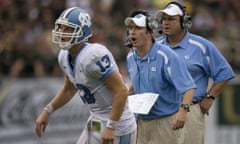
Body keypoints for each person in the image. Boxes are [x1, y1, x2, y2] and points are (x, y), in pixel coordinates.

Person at [35, 7, 137, 144]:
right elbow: (70, 88)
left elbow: (121, 90)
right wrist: (47, 110)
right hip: (96, 120)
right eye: (60, 27)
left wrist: (111, 126)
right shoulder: (64, 56)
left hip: (118, 125)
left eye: (68, 29)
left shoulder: (93, 56)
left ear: (82, 32)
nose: (61, 32)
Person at [155, 1, 236, 144]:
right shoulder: (155, 47)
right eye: (164, 19)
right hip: (160, 113)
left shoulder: (201, 46)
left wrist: (210, 97)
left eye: (172, 19)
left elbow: (225, 72)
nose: (166, 23)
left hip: (189, 111)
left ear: (184, 22)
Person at [124, 9, 196, 144]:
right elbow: (137, 81)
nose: (132, 32)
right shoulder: (130, 57)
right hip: (139, 122)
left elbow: (188, 87)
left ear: (150, 33)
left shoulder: (166, 55)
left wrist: (183, 111)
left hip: (165, 122)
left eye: (138, 28)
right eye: (131, 28)